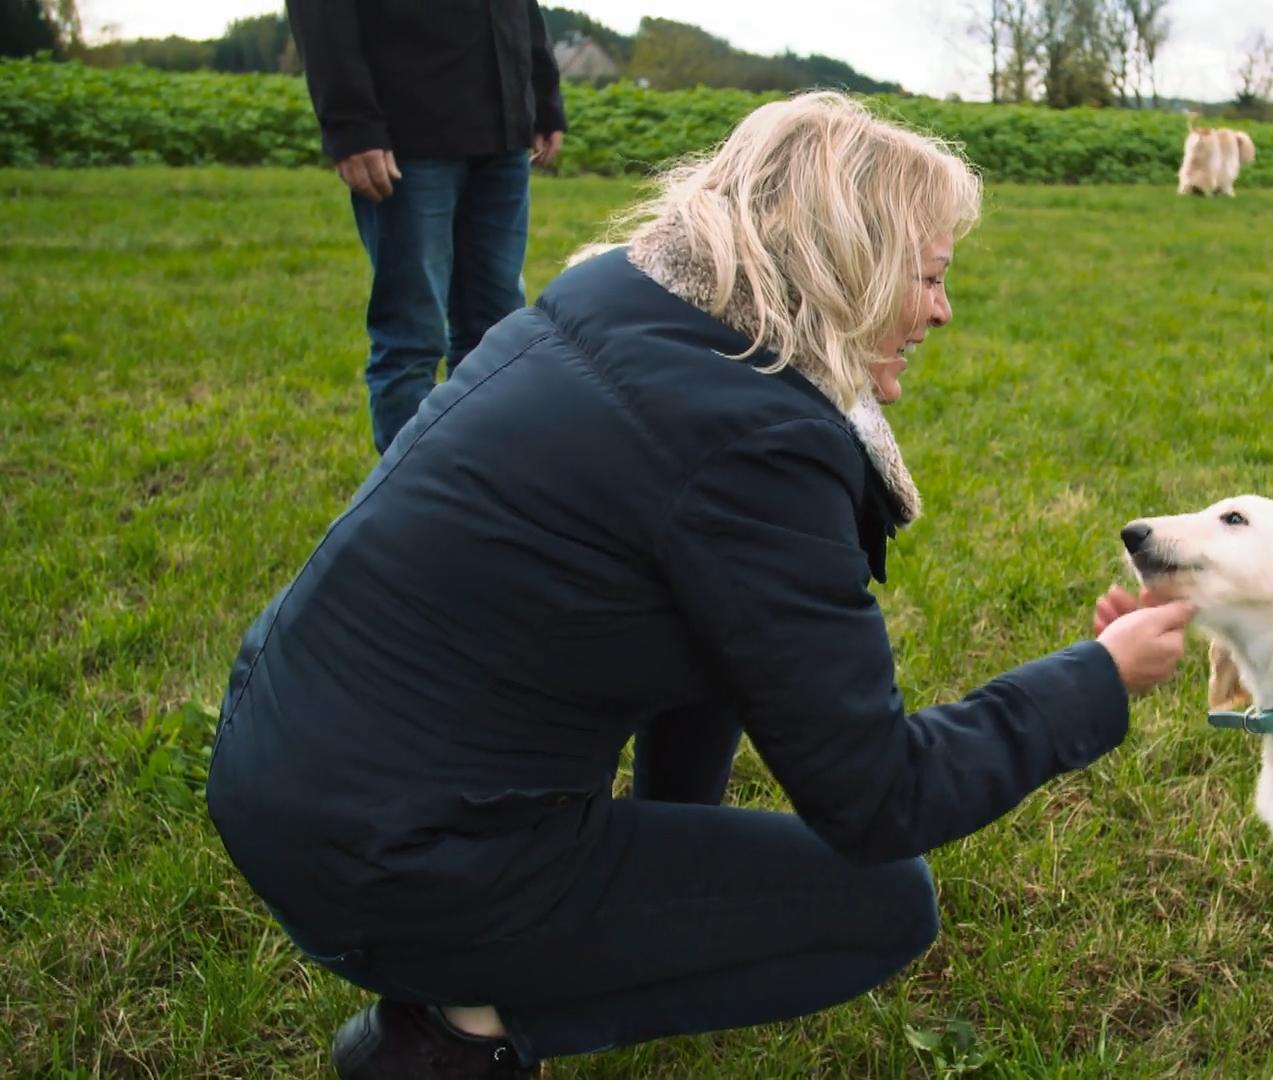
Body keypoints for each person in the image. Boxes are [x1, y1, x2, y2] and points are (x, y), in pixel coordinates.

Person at [205, 92, 1195, 1079]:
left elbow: (708, 633)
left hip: (284, 770)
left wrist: (679, 857)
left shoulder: (619, 307)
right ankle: (452, 1036)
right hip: (390, 860)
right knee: (882, 903)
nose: (942, 308)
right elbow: (881, 798)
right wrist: (1096, 679)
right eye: (928, 277)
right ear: (847, 265)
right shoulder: (757, 439)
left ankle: (477, 962)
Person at [285, 0, 568, 453]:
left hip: (502, 131)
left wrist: (542, 93)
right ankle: (411, 510)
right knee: (412, 338)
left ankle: (484, 490)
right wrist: (351, 123)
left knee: (497, 336)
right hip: (407, 135)